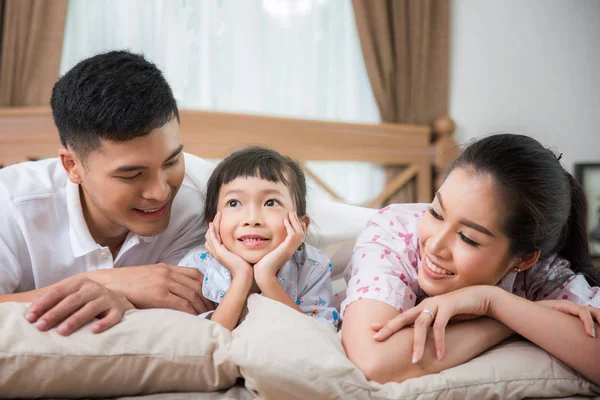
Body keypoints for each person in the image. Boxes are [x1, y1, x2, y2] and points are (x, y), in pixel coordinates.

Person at [340, 134, 600, 385]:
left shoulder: (541, 274)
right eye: (436, 212)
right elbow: (373, 361)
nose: (436, 244)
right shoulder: (393, 234)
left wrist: (493, 301)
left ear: (524, 259)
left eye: (468, 238)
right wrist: (501, 321)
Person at [0, 50, 214, 336]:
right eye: (132, 175)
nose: (160, 192)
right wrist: (105, 282)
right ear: (72, 166)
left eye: (172, 161)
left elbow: (197, 313)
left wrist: (125, 302)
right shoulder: (11, 204)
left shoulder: (207, 199)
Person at [178, 147, 338, 331]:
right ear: (212, 224)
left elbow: (315, 337)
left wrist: (266, 277)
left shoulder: (313, 267)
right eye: (234, 203)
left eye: (271, 203)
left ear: (301, 225)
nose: (252, 219)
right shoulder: (197, 267)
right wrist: (241, 276)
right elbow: (200, 342)